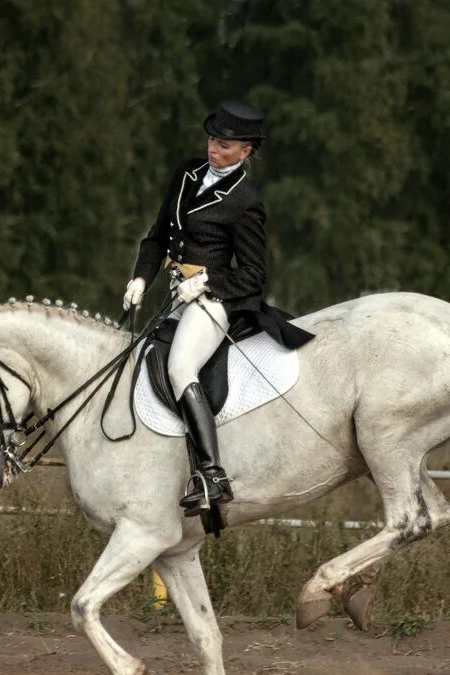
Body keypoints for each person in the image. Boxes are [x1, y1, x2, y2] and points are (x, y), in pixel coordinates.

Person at [123, 100, 314, 516]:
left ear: (245, 151)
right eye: (212, 139)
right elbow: (157, 235)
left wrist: (206, 281)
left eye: (225, 146)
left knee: (180, 368)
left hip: (215, 299)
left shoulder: (245, 201)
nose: (214, 149)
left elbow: (253, 275)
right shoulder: (187, 172)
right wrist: (141, 277)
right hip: (175, 293)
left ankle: (212, 474)